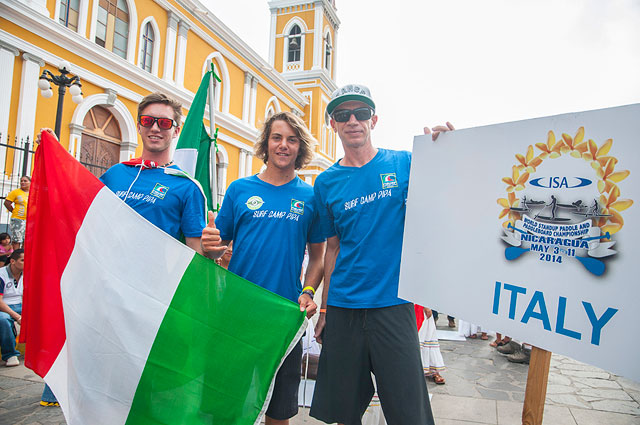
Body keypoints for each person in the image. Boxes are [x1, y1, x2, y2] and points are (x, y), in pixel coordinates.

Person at [37, 92, 225, 406]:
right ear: (139, 126)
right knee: (95, 383)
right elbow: (78, 217)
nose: (156, 128)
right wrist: (54, 158)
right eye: (149, 120)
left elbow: (195, 255)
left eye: (164, 122)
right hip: (102, 298)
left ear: (175, 130)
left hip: (149, 303)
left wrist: (214, 255)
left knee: (140, 388)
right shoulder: (114, 175)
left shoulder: (187, 187)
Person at [310, 83, 453, 425]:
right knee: (344, 409)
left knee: (408, 409)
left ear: (373, 120)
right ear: (333, 124)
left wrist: (448, 148)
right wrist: (326, 307)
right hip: (344, 307)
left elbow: (447, 189)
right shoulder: (326, 182)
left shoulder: (404, 163)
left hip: (392, 302)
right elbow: (333, 248)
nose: (352, 121)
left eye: (360, 113)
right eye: (343, 115)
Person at [205, 111, 326, 425]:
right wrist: (209, 243)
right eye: (277, 137)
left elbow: (318, 257)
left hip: (284, 317)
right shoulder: (239, 190)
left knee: (279, 409)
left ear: (300, 148)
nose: (283, 145)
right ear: (266, 143)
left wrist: (309, 291)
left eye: (291, 139)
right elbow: (217, 247)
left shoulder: (310, 197)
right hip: (235, 313)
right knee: (226, 404)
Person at [0, 249, 24, 367]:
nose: (26, 263)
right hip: (3, 307)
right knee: (3, 319)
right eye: (23, 260)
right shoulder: (1, 275)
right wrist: (17, 317)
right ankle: (10, 354)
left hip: (19, 305)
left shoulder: (27, 274)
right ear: (13, 261)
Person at [4, 176, 31, 249]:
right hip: (18, 219)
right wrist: (13, 211)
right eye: (21, 181)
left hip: (29, 220)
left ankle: (23, 257)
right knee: (17, 240)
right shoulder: (15, 192)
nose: (23, 182)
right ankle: (16, 256)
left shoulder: (33, 192)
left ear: (30, 182)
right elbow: (7, 203)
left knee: (27, 240)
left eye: (25, 181)